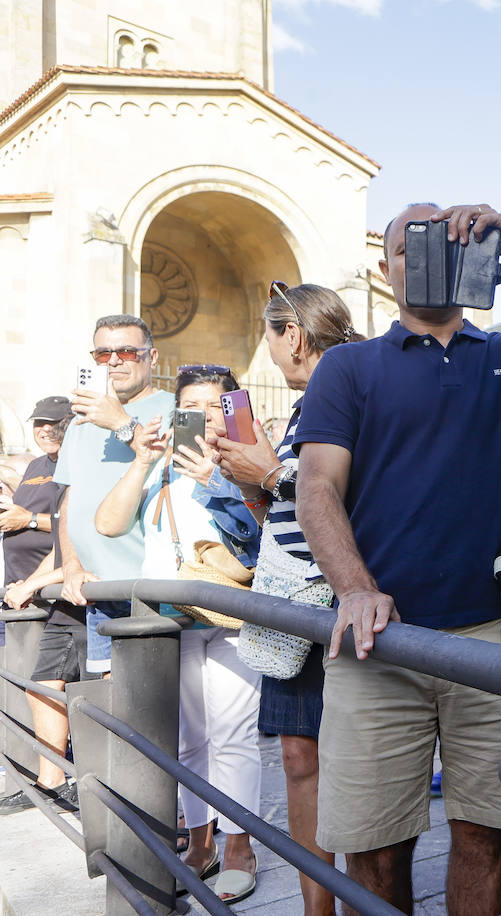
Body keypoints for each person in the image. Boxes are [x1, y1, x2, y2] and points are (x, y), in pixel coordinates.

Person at [294, 201, 501, 916]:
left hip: (491, 643)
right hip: (379, 644)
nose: (426, 258)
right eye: (411, 245)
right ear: (385, 267)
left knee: (485, 835)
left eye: (449, 244)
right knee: (374, 847)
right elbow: (316, 489)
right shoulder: (348, 365)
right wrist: (356, 589)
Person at [210, 283, 363, 916]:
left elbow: (350, 490)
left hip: (341, 602)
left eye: (270, 336)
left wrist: (269, 472)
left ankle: (358, 901)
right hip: (291, 605)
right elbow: (290, 505)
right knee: (301, 759)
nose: (268, 352)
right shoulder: (302, 408)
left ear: (293, 335)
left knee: (352, 766)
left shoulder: (354, 391)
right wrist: (249, 479)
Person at [94, 365, 262, 904]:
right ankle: (200, 839)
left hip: (233, 613)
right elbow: (110, 523)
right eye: (190, 405)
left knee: (233, 732)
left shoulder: (250, 460)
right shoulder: (160, 464)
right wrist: (144, 460)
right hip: (173, 614)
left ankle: (240, 844)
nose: (203, 416)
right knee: (189, 738)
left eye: (215, 405)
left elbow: (263, 534)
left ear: (233, 409)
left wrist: (219, 480)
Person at [54, 315, 176, 674]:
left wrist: (121, 422)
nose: (114, 361)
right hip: (98, 590)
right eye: (102, 354)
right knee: (114, 704)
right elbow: (70, 501)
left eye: (126, 351)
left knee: (156, 712)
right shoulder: (81, 420)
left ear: (152, 357)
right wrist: (72, 567)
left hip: (149, 590)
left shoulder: (173, 407)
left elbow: (173, 464)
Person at [0, 397, 81, 815]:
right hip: (25, 594)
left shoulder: (75, 464)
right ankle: (40, 778)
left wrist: (26, 523)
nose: (46, 430)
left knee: (51, 686)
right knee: (30, 687)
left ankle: (61, 779)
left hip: (52, 596)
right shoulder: (35, 467)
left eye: (55, 423)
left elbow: (71, 528)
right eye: (40, 424)